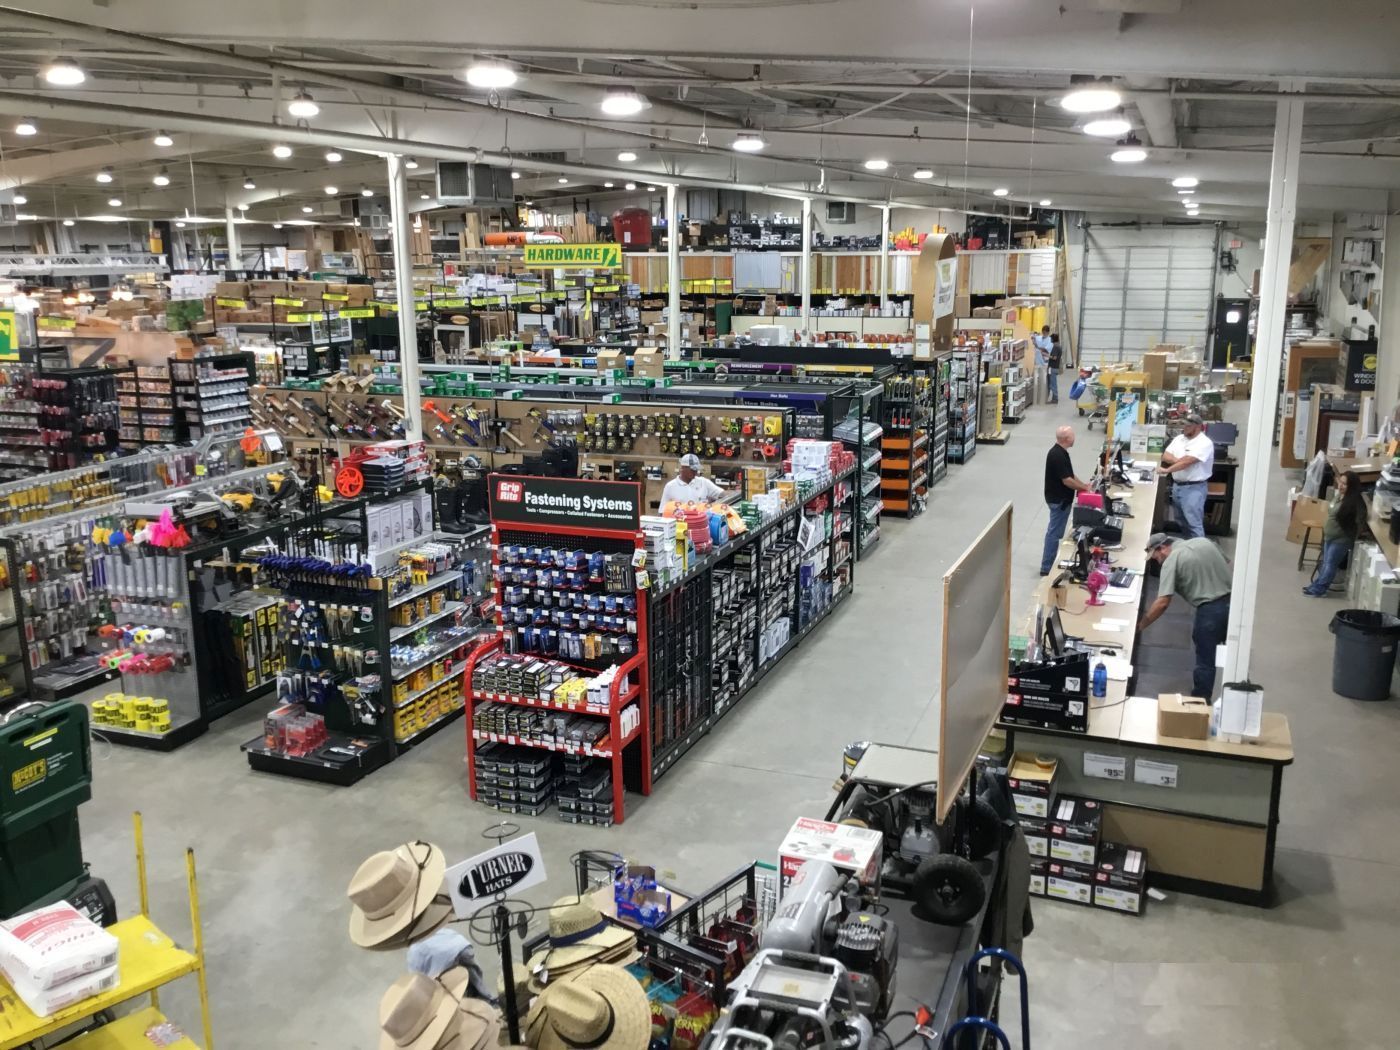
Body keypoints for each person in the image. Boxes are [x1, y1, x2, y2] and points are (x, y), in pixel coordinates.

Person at [1139, 533, 1232, 699]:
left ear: (1162, 548)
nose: (1158, 562)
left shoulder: (1172, 560)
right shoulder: (1205, 542)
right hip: (1232, 603)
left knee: (1205, 662)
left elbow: (1163, 602)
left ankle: (1199, 707)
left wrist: (1141, 626)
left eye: (1156, 557)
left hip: (1210, 612)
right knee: (1233, 658)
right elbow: (1226, 562)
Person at [1303, 469, 1365, 597]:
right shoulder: (1339, 496)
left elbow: (1360, 521)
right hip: (1329, 536)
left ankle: (1319, 590)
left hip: (1341, 540)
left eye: (1345, 484)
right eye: (1340, 482)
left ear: (1351, 486)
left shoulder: (1355, 503)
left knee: (1330, 564)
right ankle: (1316, 585)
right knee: (1325, 563)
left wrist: (1354, 535)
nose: (1341, 486)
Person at [1041, 425, 1092, 576]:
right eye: (1072, 435)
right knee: (1054, 534)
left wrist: (1084, 486)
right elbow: (1067, 481)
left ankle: (1047, 564)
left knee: (1055, 532)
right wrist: (1083, 488)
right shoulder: (1056, 455)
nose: (1074, 437)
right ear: (1066, 438)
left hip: (1060, 499)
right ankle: (1046, 567)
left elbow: (1070, 474)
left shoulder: (1062, 453)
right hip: (1059, 500)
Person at [1159, 413, 1215, 539]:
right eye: (1184, 425)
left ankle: (1200, 552)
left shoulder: (1204, 443)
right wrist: (1179, 461)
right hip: (1177, 486)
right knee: (1181, 521)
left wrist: (1166, 470)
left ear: (1198, 427)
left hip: (1194, 489)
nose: (1184, 428)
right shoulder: (1179, 439)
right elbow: (1166, 456)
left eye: (1187, 426)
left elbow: (1187, 462)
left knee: (1194, 524)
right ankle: (1189, 547)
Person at [1033, 325, 1055, 403]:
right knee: (1037, 380)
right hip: (1037, 362)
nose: (1044, 334)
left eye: (1045, 333)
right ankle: (1037, 397)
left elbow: (1046, 350)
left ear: (1048, 332)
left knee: (1045, 381)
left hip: (1046, 364)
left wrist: (1038, 347)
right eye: (1043, 332)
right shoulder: (1039, 338)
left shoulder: (1050, 340)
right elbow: (1034, 340)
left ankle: (1045, 397)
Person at [1046, 334, 1063, 404]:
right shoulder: (1058, 346)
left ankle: (1055, 399)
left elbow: (1055, 357)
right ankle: (1053, 398)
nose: (1050, 340)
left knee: (1053, 384)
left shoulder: (1055, 347)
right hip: (1054, 367)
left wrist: (1047, 355)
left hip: (1053, 367)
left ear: (1053, 339)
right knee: (1052, 383)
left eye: (1051, 338)